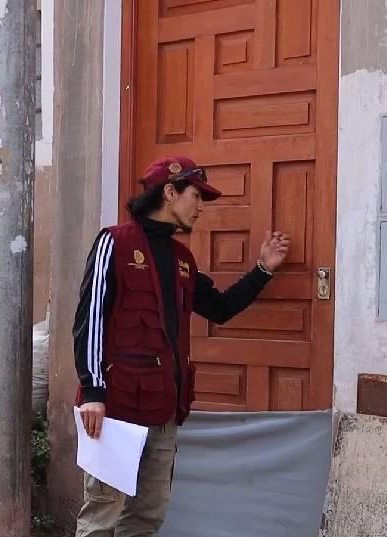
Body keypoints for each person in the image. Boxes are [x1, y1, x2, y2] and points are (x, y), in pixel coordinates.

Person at [72, 155, 290, 536]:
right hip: (115, 410)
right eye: (196, 196)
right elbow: (89, 318)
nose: (201, 207)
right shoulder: (115, 242)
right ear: (169, 193)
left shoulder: (182, 261)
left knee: (146, 518)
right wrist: (92, 391)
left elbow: (219, 308)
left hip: (165, 410)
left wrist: (262, 270)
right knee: (102, 519)